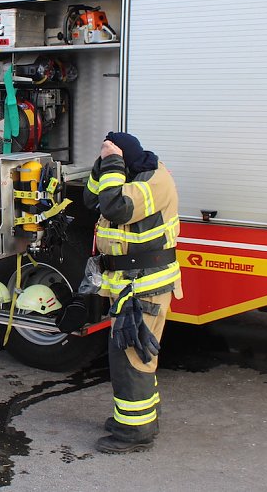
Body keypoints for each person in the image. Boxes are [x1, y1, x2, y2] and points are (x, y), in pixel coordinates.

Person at [83, 131, 182, 453]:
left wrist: (111, 162)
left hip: (144, 288)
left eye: (113, 156)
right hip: (131, 286)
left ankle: (133, 434)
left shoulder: (152, 181)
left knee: (132, 360)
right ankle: (140, 421)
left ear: (123, 158)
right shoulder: (134, 172)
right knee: (137, 357)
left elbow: (114, 208)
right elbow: (91, 200)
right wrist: (102, 165)